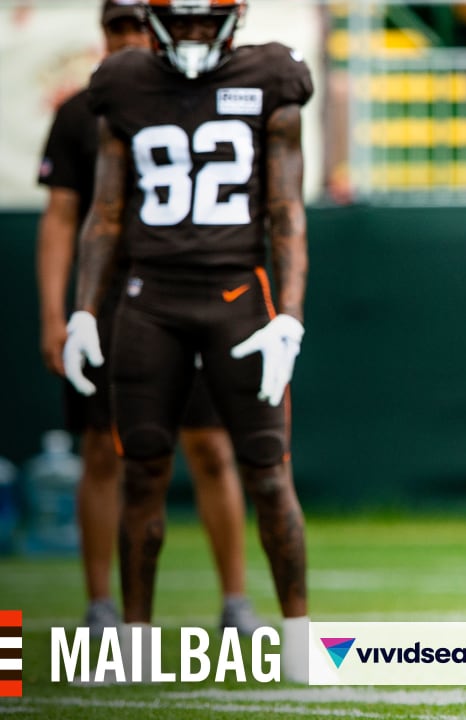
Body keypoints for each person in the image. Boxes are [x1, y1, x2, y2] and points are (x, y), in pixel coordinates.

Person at [61, 0, 310, 682]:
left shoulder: (273, 76)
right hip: (149, 299)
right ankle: (134, 646)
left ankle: (298, 643)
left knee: (267, 468)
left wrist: (288, 315)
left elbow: (287, 209)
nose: (197, 33)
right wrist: (83, 311)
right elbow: (106, 212)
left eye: (209, 21)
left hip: (238, 294)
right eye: (185, 20)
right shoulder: (124, 82)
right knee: (142, 469)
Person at [35, 0, 264, 639]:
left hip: (196, 294)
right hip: (111, 303)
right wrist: (59, 312)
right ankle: (102, 606)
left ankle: (236, 601)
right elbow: (61, 218)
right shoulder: (86, 109)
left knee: (213, 448)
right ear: (102, 32)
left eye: (140, 23)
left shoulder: (211, 94)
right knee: (106, 451)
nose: (131, 36)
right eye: (118, 25)